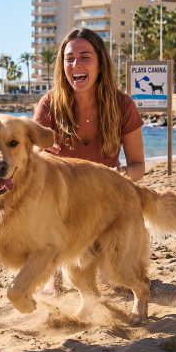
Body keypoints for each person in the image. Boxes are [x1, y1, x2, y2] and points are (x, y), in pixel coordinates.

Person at [32, 28, 146, 295]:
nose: (76, 65)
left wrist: (122, 175)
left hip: (104, 204)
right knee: (54, 289)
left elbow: (138, 165)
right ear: (62, 66)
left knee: (118, 285)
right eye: (69, 58)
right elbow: (31, 162)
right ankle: (53, 272)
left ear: (100, 64)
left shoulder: (123, 105)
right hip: (60, 207)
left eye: (85, 57)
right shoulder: (49, 105)